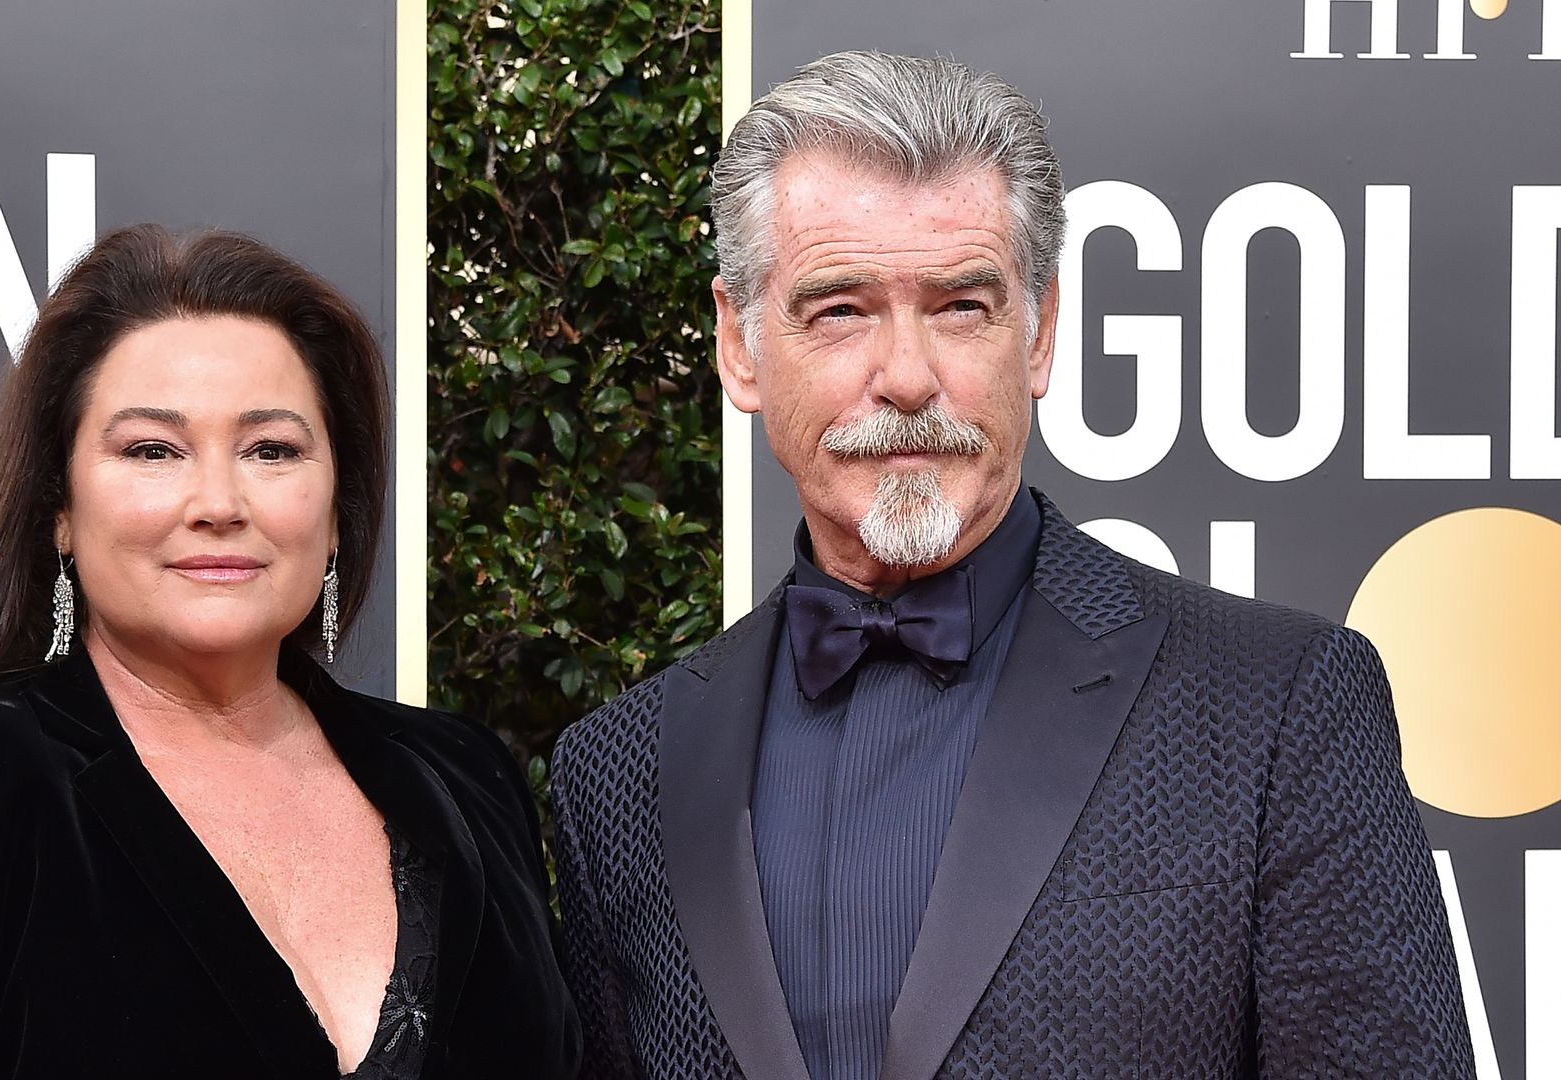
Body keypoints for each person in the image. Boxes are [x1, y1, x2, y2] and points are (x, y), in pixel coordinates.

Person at [551, 52, 1473, 1080]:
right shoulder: (618, 774)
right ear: (741, 344)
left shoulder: (1281, 709)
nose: (906, 377)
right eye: (841, 309)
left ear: (1038, 336)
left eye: (960, 306)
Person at [0, 225, 580, 1079]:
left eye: (272, 450)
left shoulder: (467, 778)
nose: (218, 500)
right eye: (152, 449)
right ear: (59, 507)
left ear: (336, 511)